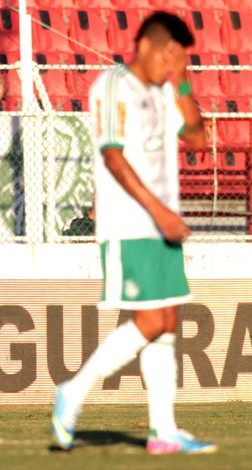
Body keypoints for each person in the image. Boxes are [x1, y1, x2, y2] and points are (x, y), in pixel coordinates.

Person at [51, 11, 217, 455]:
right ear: (147, 45)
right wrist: (159, 211)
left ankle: (164, 432)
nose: (174, 66)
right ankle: (74, 389)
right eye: (172, 57)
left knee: (165, 321)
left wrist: (182, 83)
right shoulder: (113, 84)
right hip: (131, 221)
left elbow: (199, 141)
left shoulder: (165, 90)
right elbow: (112, 156)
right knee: (149, 319)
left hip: (162, 222)